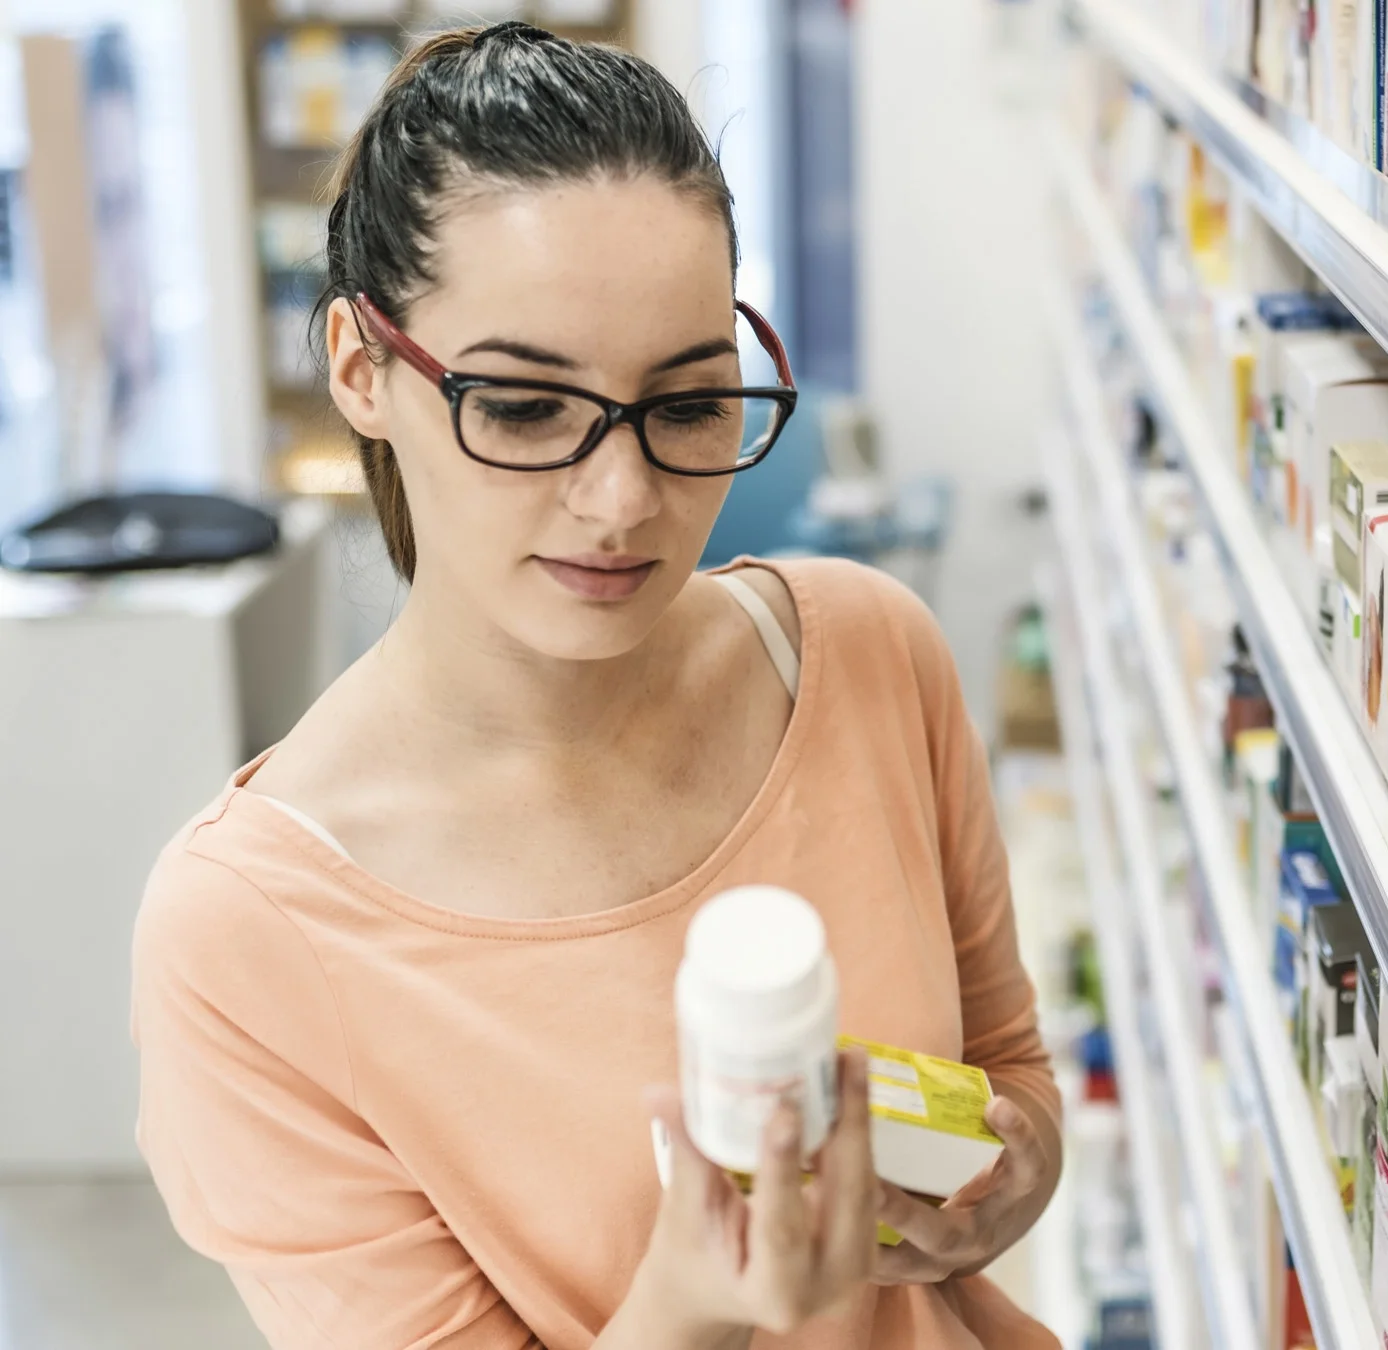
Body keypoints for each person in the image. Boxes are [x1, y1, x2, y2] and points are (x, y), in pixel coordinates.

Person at [128, 22, 1061, 1350]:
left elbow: (1010, 1075)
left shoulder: (864, 650)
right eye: (522, 406)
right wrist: (695, 1310)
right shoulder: (246, 940)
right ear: (360, 368)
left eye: (686, 405)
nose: (621, 501)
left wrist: (1004, 1175)